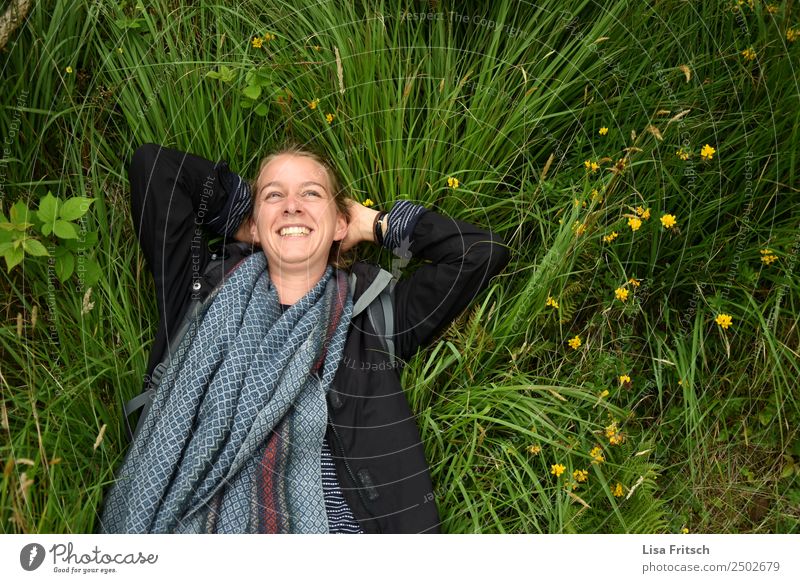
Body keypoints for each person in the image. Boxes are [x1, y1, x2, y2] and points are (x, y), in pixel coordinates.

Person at [98, 142, 510, 534]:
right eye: (274, 196)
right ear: (251, 224)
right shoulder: (199, 292)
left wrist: (374, 223)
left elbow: (479, 252)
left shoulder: (376, 313)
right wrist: (245, 215)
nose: (292, 205)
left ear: (340, 223)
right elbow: (155, 168)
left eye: (311, 194)